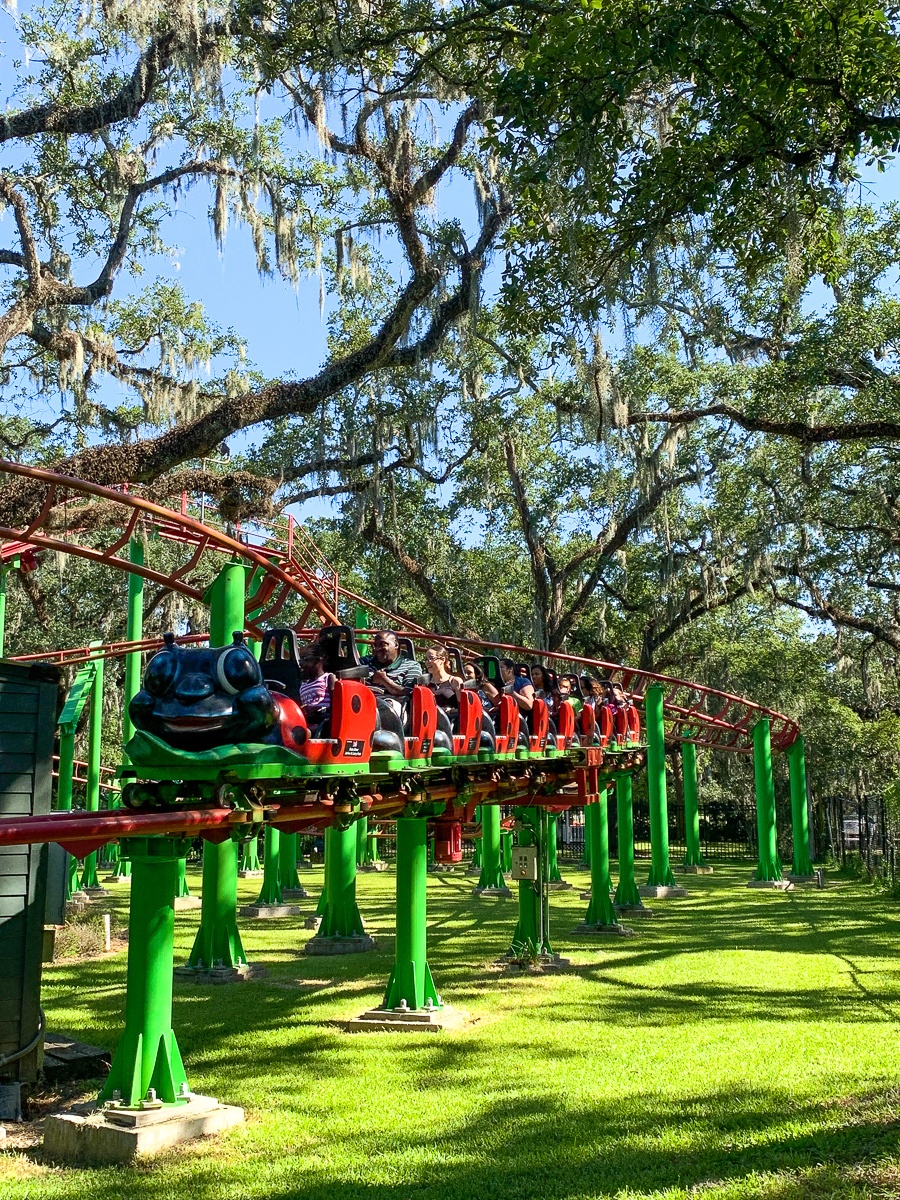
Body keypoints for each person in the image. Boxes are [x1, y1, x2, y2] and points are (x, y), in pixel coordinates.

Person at [361, 630, 421, 699]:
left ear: (396, 645)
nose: (377, 649)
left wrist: (384, 680)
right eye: (375, 645)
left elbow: (410, 694)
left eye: (382, 644)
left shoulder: (411, 666)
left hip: (390, 704)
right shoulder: (365, 662)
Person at [297, 645, 334, 723]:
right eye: (300, 660)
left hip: (324, 719)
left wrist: (318, 708)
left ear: (318, 661)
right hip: (308, 721)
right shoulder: (303, 685)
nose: (301, 664)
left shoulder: (328, 678)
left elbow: (335, 703)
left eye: (305, 659)